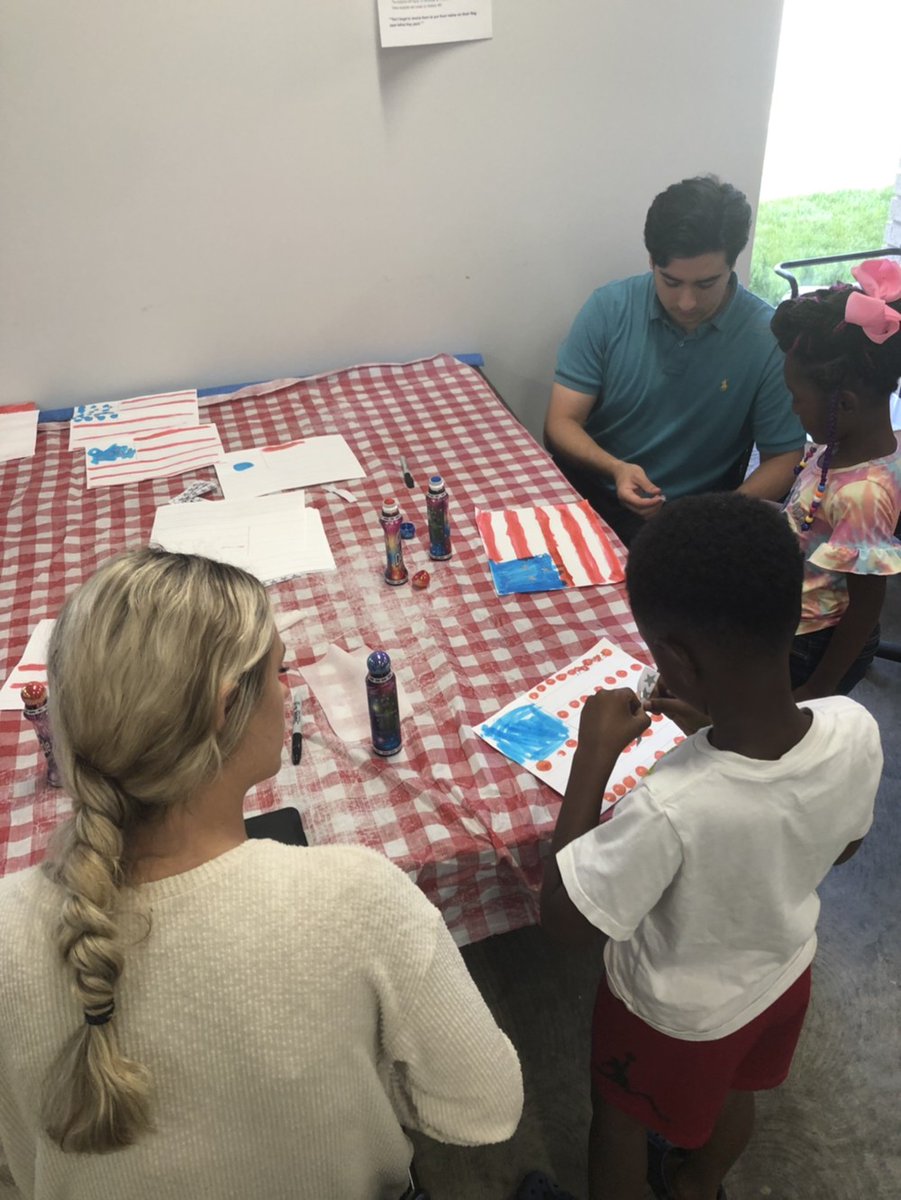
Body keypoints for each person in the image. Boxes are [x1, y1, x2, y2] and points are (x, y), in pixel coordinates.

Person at [0, 549, 523, 1200]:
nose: (288, 689)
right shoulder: (358, 898)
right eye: (279, 670)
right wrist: (353, 1067)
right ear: (224, 709)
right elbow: (483, 1108)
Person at [540, 493, 883, 1200]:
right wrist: (710, 727)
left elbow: (565, 921)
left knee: (620, 1115)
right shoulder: (855, 724)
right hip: (780, 977)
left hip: (672, 1017)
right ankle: (697, 1184)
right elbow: (841, 847)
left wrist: (593, 758)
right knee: (734, 1090)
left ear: (674, 660)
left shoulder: (672, 805)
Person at [544, 176, 805, 545]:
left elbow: (785, 457)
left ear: (733, 263)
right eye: (670, 281)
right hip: (591, 490)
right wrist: (616, 469)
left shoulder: (766, 337)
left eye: (706, 284)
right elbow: (561, 421)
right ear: (652, 261)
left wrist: (718, 515)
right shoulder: (609, 308)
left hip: (692, 517)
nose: (686, 303)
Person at [770, 258, 901, 699]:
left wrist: (819, 686)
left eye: (797, 397)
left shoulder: (863, 494)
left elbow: (865, 609)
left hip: (814, 644)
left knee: (782, 724)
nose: (793, 408)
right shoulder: (844, 446)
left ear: (843, 404)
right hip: (797, 614)